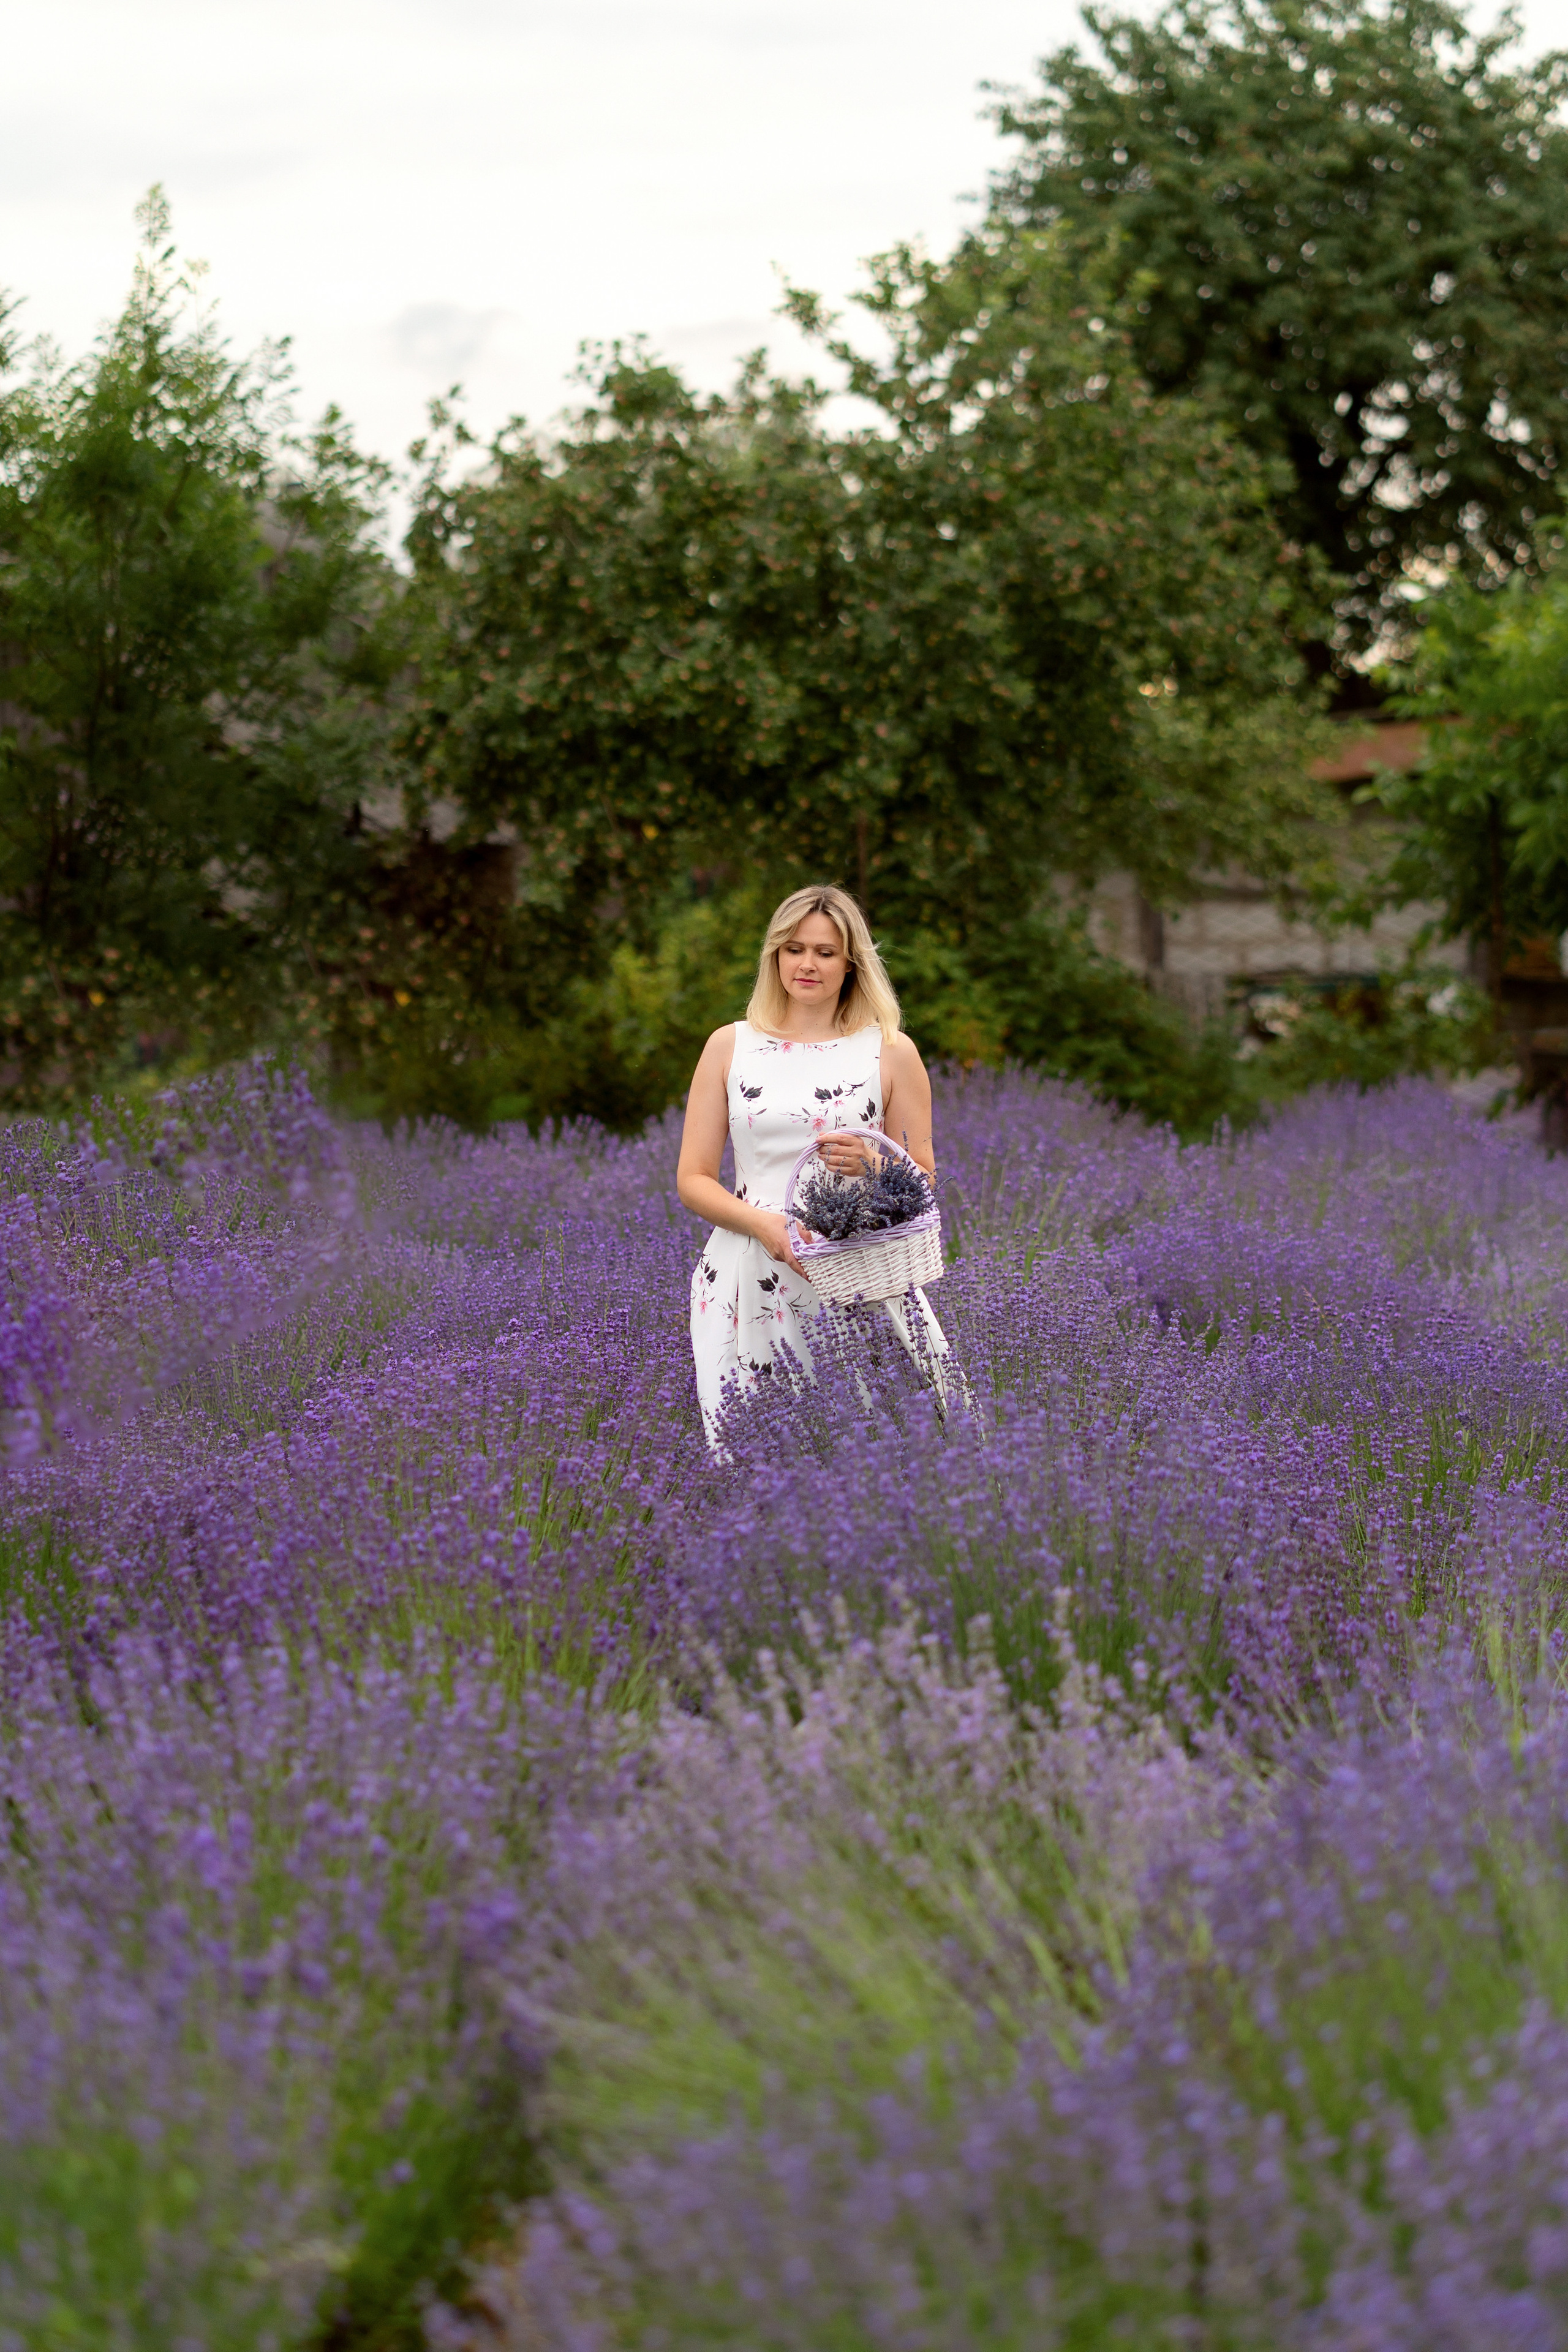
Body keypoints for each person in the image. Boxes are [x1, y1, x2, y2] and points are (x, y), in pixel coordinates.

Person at [677, 883, 951, 1446]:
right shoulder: (729, 1047)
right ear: (774, 954)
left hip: (854, 1269)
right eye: (794, 948)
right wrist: (765, 1225)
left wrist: (877, 1166)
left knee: (888, 1448)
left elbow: (922, 1178)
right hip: (746, 1272)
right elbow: (693, 1180)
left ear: (850, 964)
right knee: (751, 1452)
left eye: (825, 953)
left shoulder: (891, 1050)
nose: (807, 964)